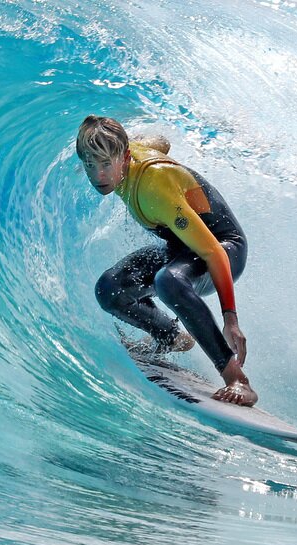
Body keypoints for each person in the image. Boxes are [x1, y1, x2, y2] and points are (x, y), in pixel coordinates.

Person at [77, 115, 257, 406]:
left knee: (168, 281)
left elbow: (213, 252)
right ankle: (172, 337)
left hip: (225, 249)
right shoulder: (126, 153)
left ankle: (236, 378)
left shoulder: (153, 189)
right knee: (110, 289)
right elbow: (160, 142)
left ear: (124, 158)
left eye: (106, 165)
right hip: (182, 248)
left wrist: (231, 320)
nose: (98, 176)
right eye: (90, 166)